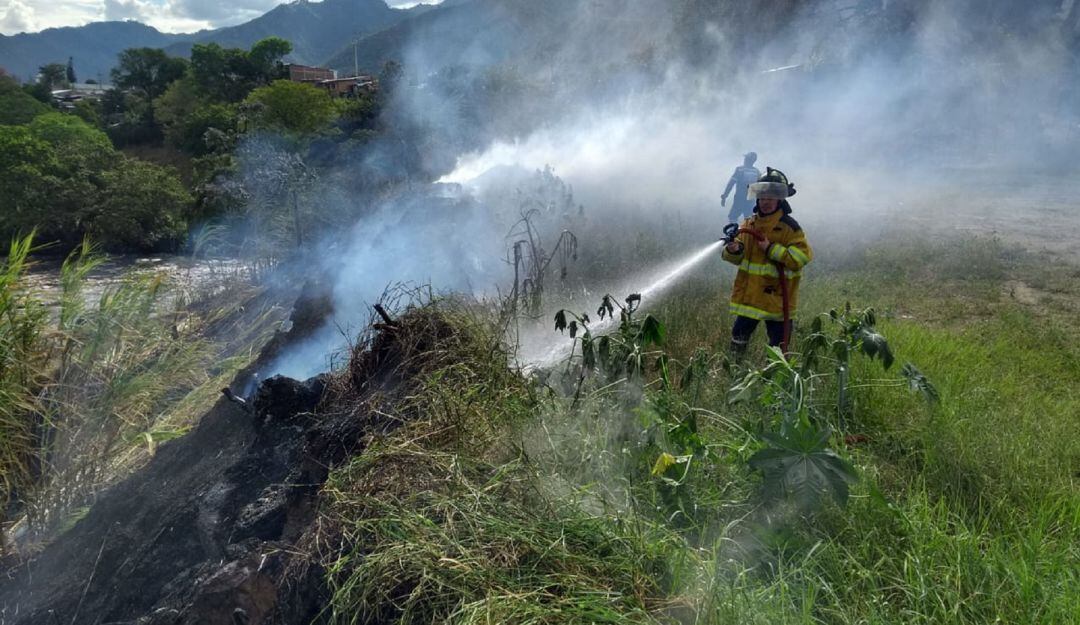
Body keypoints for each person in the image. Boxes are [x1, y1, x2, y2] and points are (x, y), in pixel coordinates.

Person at [721, 167, 813, 355]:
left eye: (771, 198)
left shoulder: (789, 228)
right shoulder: (749, 224)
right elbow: (738, 256)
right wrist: (734, 249)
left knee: (778, 348)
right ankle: (733, 373)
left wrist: (771, 249)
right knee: (737, 339)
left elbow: (801, 258)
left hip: (778, 299)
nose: (765, 202)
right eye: (762, 197)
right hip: (751, 298)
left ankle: (774, 380)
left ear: (780, 199)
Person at [720, 152, 761, 223]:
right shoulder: (757, 172)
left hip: (739, 198)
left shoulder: (740, 170)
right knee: (749, 219)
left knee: (733, 217)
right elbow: (760, 187)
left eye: (745, 158)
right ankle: (748, 233)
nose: (744, 159)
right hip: (751, 200)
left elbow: (731, 183)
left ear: (747, 160)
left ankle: (733, 232)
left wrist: (725, 196)